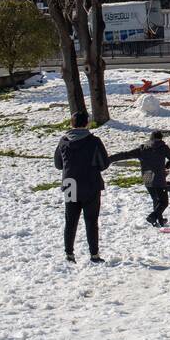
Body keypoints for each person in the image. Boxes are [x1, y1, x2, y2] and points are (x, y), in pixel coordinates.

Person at [54, 111, 111, 264]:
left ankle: (69, 254)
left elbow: (58, 165)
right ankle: (94, 254)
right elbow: (104, 163)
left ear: (71, 123)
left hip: (70, 184)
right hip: (90, 184)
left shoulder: (63, 141)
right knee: (91, 220)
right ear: (87, 123)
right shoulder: (94, 141)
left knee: (70, 220)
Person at [109, 131, 170, 227]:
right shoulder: (163, 147)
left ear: (150, 139)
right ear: (161, 139)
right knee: (164, 202)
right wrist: (167, 166)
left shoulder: (142, 149)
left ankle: (160, 220)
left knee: (156, 199)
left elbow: (125, 154)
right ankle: (152, 217)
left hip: (147, 178)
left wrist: (109, 159)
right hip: (159, 178)